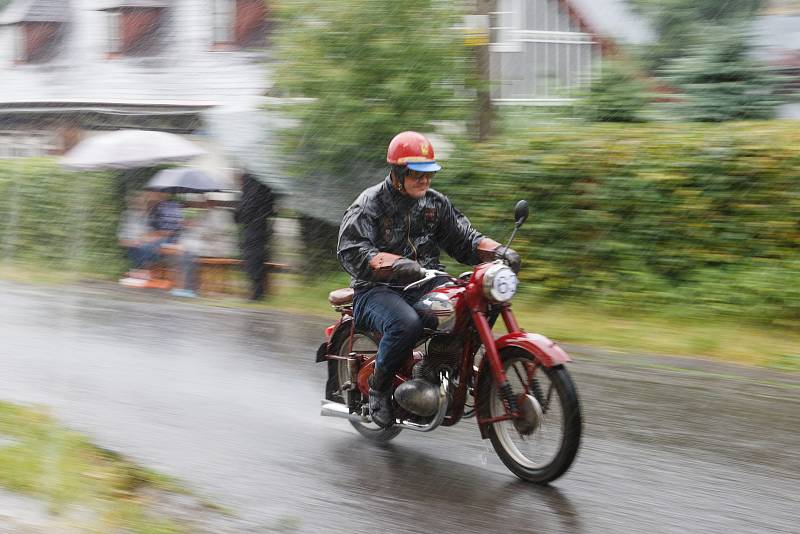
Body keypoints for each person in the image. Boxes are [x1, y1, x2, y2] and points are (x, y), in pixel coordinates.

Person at [337, 131, 520, 428]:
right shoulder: (369, 203)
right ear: (397, 173)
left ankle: (437, 368)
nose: (424, 181)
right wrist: (394, 264)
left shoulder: (434, 204)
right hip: (376, 288)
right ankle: (378, 389)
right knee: (405, 324)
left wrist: (498, 251)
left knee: (466, 305)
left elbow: (464, 239)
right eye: (415, 174)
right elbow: (351, 250)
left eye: (429, 174)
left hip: (425, 281)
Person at [169, 194, 239, 298]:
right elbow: (200, 232)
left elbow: (212, 232)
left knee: (188, 255)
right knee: (183, 254)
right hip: (208, 245)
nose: (201, 204)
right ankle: (183, 286)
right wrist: (191, 226)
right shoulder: (207, 213)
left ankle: (190, 288)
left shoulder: (221, 214)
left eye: (204, 202)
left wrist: (195, 227)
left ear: (212, 202)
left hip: (219, 247)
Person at [119, 191, 182, 286]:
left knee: (145, 247)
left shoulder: (169, 207)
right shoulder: (142, 213)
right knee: (137, 247)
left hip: (166, 239)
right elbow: (148, 231)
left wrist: (147, 238)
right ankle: (140, 273)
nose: (150, 197)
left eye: (153, 195)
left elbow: (168, 231)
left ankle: (141, 273)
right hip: (150, 239)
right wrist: (139, 239)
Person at [234, 171, 275, 300]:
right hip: (261, 226)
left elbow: (244, 208)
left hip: (252, 228)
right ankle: (259, 290)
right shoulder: (263, 182)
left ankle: (257, 292)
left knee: (253, 258)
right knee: (257, 258)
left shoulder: (250, 185)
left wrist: (238, 214)